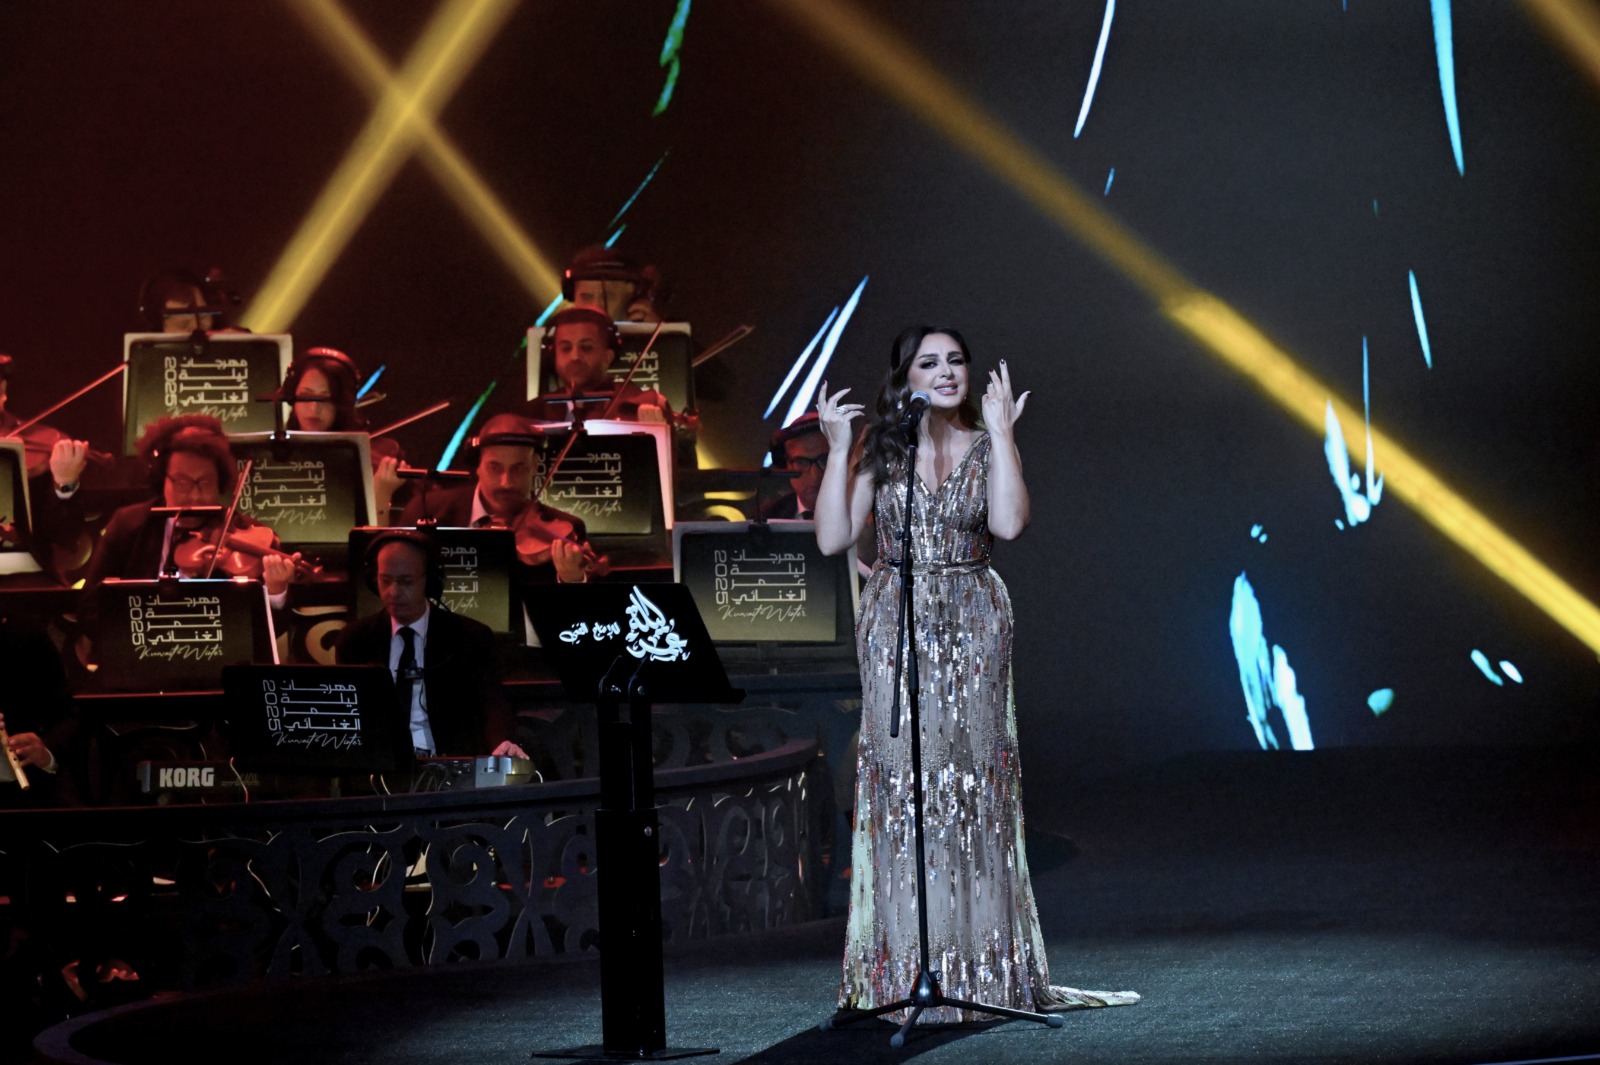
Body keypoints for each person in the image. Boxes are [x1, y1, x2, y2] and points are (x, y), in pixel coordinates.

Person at [814, 325, 1138, 1022]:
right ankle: (902, 967)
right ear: (904, 377)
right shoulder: (884, 446)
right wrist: (839, 451)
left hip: (973, 618)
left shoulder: (988, 443)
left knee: (971, 786)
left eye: (955, 360)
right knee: (903, 788)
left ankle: (981, 967)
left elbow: (1011, 525)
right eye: (929, 362)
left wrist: (1003, 433)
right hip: (895, 623)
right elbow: (834, 537)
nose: (946, 371)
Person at [335, 531, 524, 759]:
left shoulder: (470, 637)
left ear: (431, 581)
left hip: (447, 762)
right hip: (379, 763)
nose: (393, 592)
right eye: (385, 580)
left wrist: (502, 743)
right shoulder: (355, 640)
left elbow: (492, 703)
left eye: (406, 581)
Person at [80, 415, 299, 603]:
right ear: (162, 480)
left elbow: (265, 627)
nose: (195, 495)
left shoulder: (248, 533)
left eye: (205, 483)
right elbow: (90, 601)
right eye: (183, 483)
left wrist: (276, 591)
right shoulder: (128, 524)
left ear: (220, 481)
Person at [398, 412, 603, 584]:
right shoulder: (426, 511)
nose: (507, 482)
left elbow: (575, 613)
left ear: (535, 466)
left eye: (519, 468)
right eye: (495, 468)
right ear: (478, 465)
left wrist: (571, 580)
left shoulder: (568, 529)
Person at [279, 348, 404, 522]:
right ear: (292, 396)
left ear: (343, 402)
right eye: (306, 396)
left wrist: (381, 493)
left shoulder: (373, 457)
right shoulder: (272, 453)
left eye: (326, 399)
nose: (314, 409)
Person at [526, 306, 669, 424]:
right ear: (554, 355)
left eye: (586, 347)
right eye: (566, 348)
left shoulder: (632, 401)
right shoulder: (534, 412)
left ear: (607, 357)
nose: (575, 356)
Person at [759, 413, 828, 521]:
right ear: (785, 465)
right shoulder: (767, 516)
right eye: (801, 462)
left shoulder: (858, 511)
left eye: (825, 460)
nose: (815, 476)